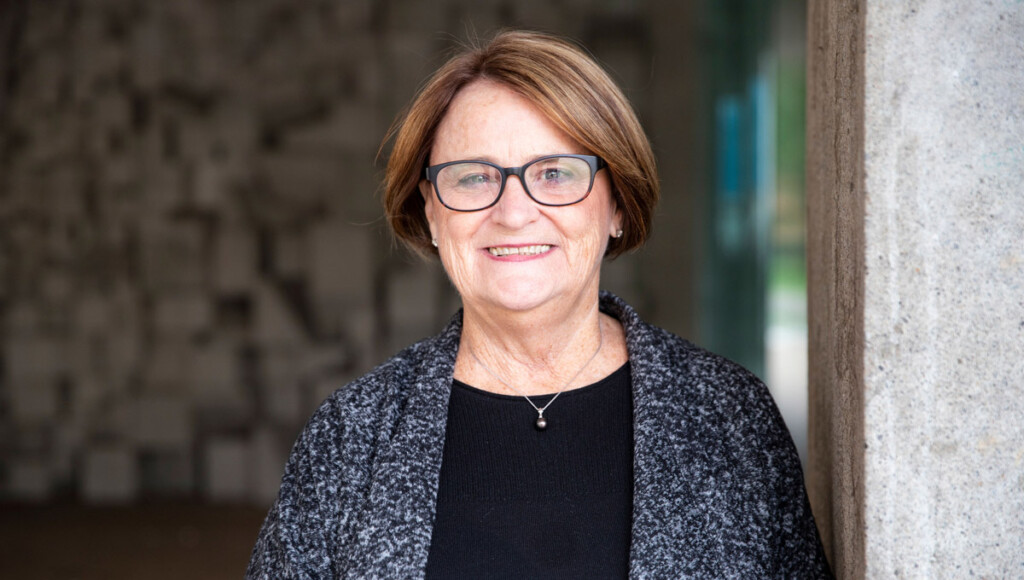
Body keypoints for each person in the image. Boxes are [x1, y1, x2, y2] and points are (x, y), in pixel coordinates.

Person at [247, 30, 832, 578]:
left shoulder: (729, 417)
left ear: (618, 204)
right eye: (473, 178)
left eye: (554, 173)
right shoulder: (351, 437)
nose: (513, 211)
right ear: (430, 210)